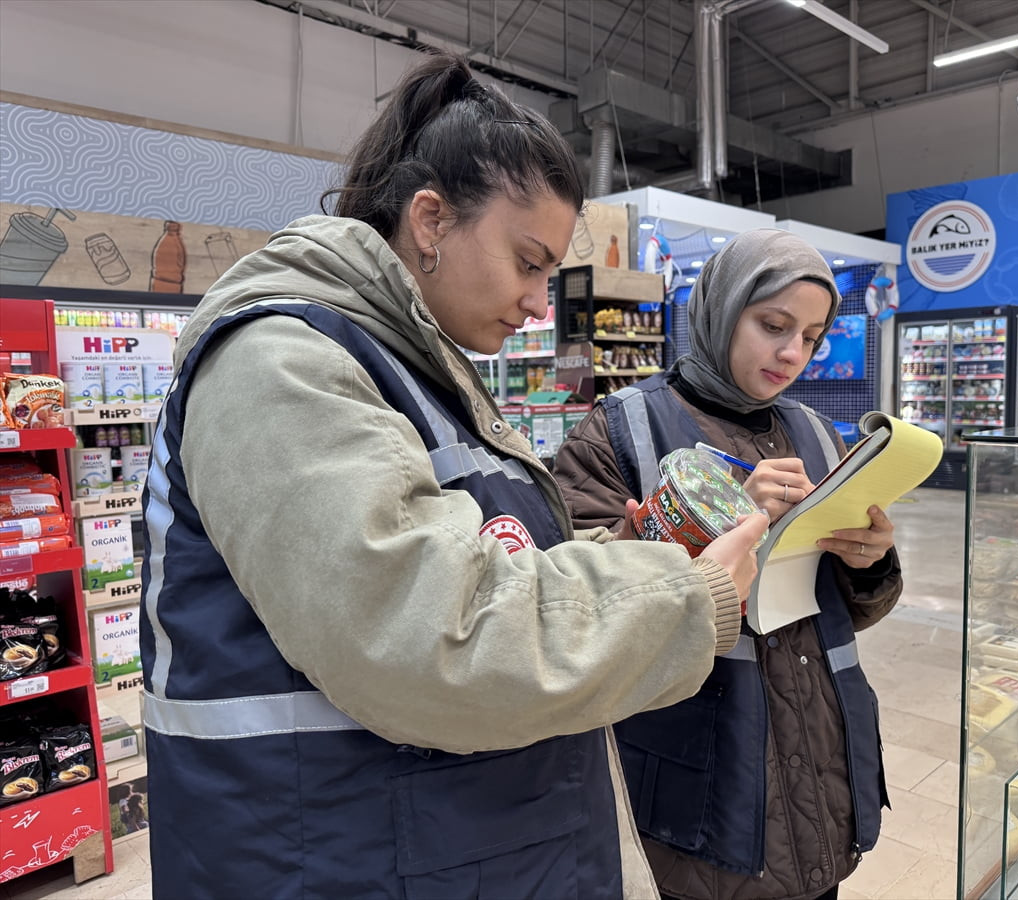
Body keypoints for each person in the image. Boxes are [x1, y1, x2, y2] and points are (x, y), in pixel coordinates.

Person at [138, 50, 766, 898]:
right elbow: (431, 634)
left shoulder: (418, 368)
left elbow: (479, 563)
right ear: (430, 221)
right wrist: (687, 596)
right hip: (329, 862)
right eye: (528, 260)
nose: (543, 302)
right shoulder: (280, 361)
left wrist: (619, 549)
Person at [554, 228, 903, 900]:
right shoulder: (619, 432)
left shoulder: (818, 433)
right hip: (706, 779)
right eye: (773, 325)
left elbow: (847, 610)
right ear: (719, 309)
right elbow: (578, 609)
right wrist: (716, 522)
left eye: (810, 336)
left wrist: (870, 563)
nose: (792, 353)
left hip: (822, 763)